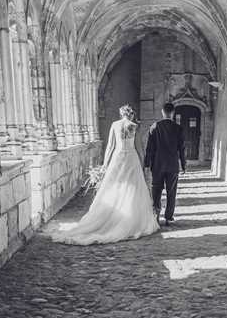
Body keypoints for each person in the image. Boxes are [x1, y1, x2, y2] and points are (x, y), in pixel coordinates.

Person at [51, 104, 159, 245]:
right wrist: (143, 165)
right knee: (133, 189)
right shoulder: (134, 126)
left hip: (118, 158)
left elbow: (110, 146)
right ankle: (131, 221)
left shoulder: (115, 125)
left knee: (114, 188)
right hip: (131, 160)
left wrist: (105, 165)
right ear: (131, 114)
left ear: (121, 114)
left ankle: (113, 217)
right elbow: (140, 149)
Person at [144, 102, 186, 226]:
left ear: (162, 112)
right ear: (173, 113)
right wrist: (183, 165)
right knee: (171, 192)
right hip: (172, 165)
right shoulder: (178, 128)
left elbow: (149, 148)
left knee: (156, 190)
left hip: (157, 165)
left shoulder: (154, 127)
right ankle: (168, 217)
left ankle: (156, 216)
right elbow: (182, 149)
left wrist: (147, 164)